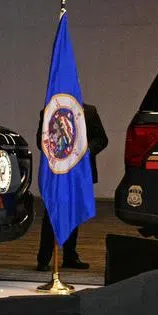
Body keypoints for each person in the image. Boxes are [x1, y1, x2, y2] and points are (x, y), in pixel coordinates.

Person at [35, 103, 108, 271]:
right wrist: (58, 147)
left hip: (80, 171)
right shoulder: (48, 110)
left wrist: (85, 150)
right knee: (51, 214)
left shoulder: (89, 111)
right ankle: (44, 259)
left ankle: (70, 256)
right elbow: (41, 142)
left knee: (74, 213)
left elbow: (102, 139)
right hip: (57, 170)